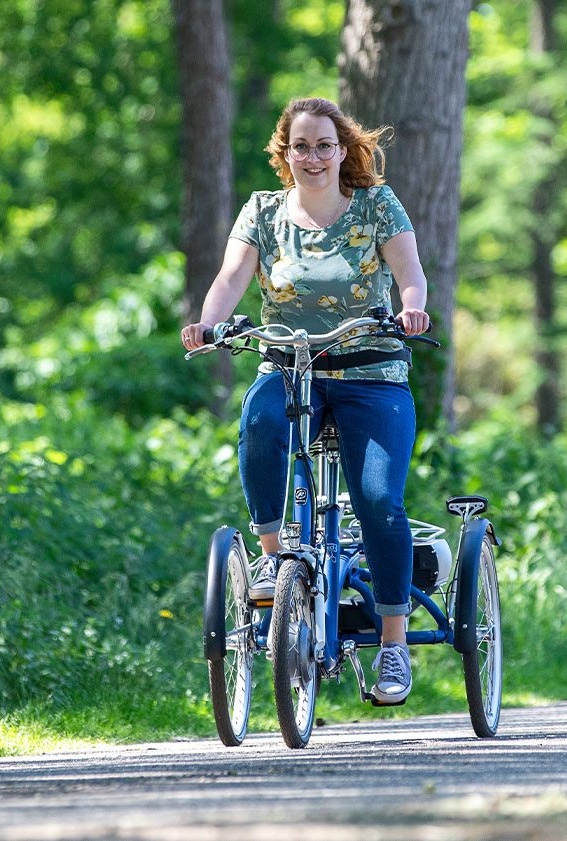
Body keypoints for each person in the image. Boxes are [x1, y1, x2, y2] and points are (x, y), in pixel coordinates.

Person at [181, 97, 431, 705]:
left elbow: (410, 272)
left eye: (324, 145)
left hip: (372, 372)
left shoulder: (375, 205)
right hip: (292, 365)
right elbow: (230, 279)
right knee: (261, 423)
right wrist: (209, 323)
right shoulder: (264, 213)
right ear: (285, 153)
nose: (313, 157)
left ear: (343, 150)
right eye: (301, 146)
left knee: (377, 499)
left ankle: (393, 646)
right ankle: (272, 560)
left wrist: (411, 308)